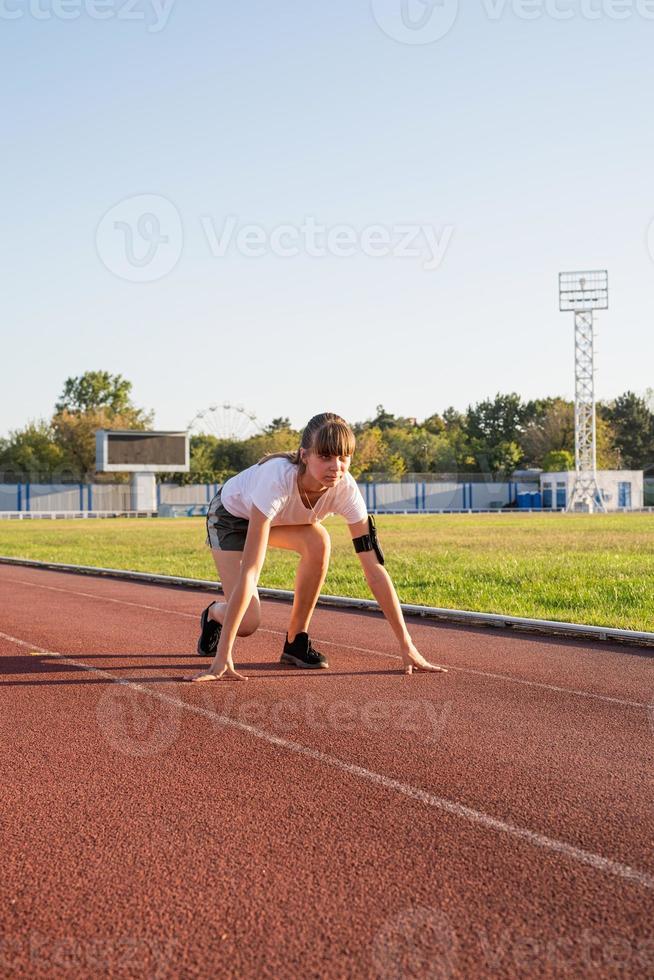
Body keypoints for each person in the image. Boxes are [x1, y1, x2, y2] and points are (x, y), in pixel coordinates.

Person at [189, 412, 447, 682]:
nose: (336, 467)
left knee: (319, 540)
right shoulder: (276, 479)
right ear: (304, 456)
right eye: (325, 457)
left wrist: (407, 646)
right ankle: (214, 613)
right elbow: (251, 571)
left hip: (277, 519)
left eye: (343, 457)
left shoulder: (346, 490)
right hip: (232, 520)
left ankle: (295, 641)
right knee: (247, 622)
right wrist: (223, 657)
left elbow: (374, 570)